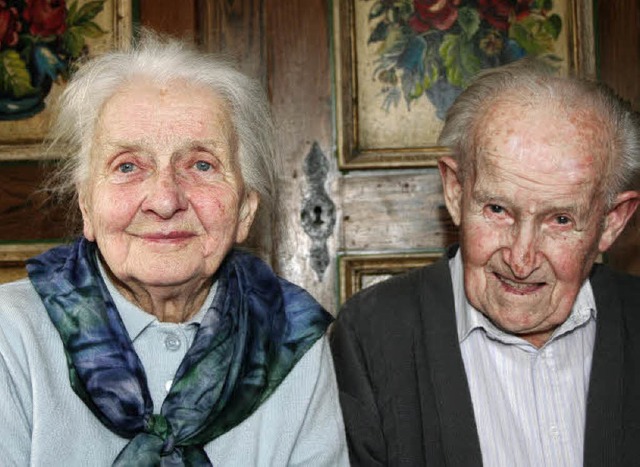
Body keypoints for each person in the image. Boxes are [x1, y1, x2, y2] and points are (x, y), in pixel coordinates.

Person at [0, 32, 348, 466]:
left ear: (244, 210)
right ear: (86, 205)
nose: (165, 200)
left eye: (201, 165)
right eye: (127, 166)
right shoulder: (10, 335)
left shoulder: (292, 342)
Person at [330, 57, 640, 466]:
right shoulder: (371, 335)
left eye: (560, 219)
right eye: (497, 209)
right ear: (456, 192)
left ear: (610, 223)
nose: (520, 258)